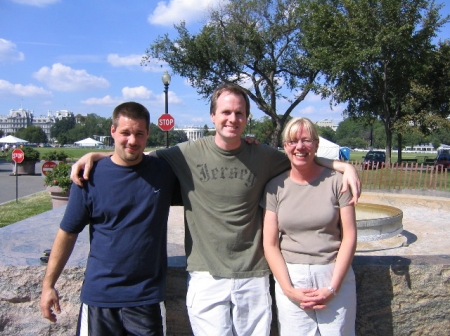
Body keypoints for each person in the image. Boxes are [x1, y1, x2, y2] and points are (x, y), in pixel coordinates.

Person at [71, 83, 360, 336]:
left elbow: (300, 154)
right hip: (206, 275)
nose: (232, 119)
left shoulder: (264, 156)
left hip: (253, 274)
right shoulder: (186, 154)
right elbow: (135, 155)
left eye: (238, 113)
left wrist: (342, 165)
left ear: (247, 118)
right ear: (213, 116)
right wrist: (97, 155)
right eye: (225, 112)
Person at [40, 102, 179, 336]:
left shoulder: (163, 172)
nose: (132, 140)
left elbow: (210, 153)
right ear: (113, 131)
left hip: (146, 298)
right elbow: (68, 232)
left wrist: (248, 147)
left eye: (139, 134)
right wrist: (48, 285)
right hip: (99, 296)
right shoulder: (89, 176)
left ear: (148, 135)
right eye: (125, 132)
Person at [260, 117, 357, 336]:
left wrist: (333, 287)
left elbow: (349, 237)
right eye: (293, 141)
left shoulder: (338, 182)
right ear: (285, 146)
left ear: (316, 144)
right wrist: (288, 290)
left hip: (333, 273)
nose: (299, 147)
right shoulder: (275, 187)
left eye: (306, 140)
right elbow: (270, 243)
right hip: (292, 277)